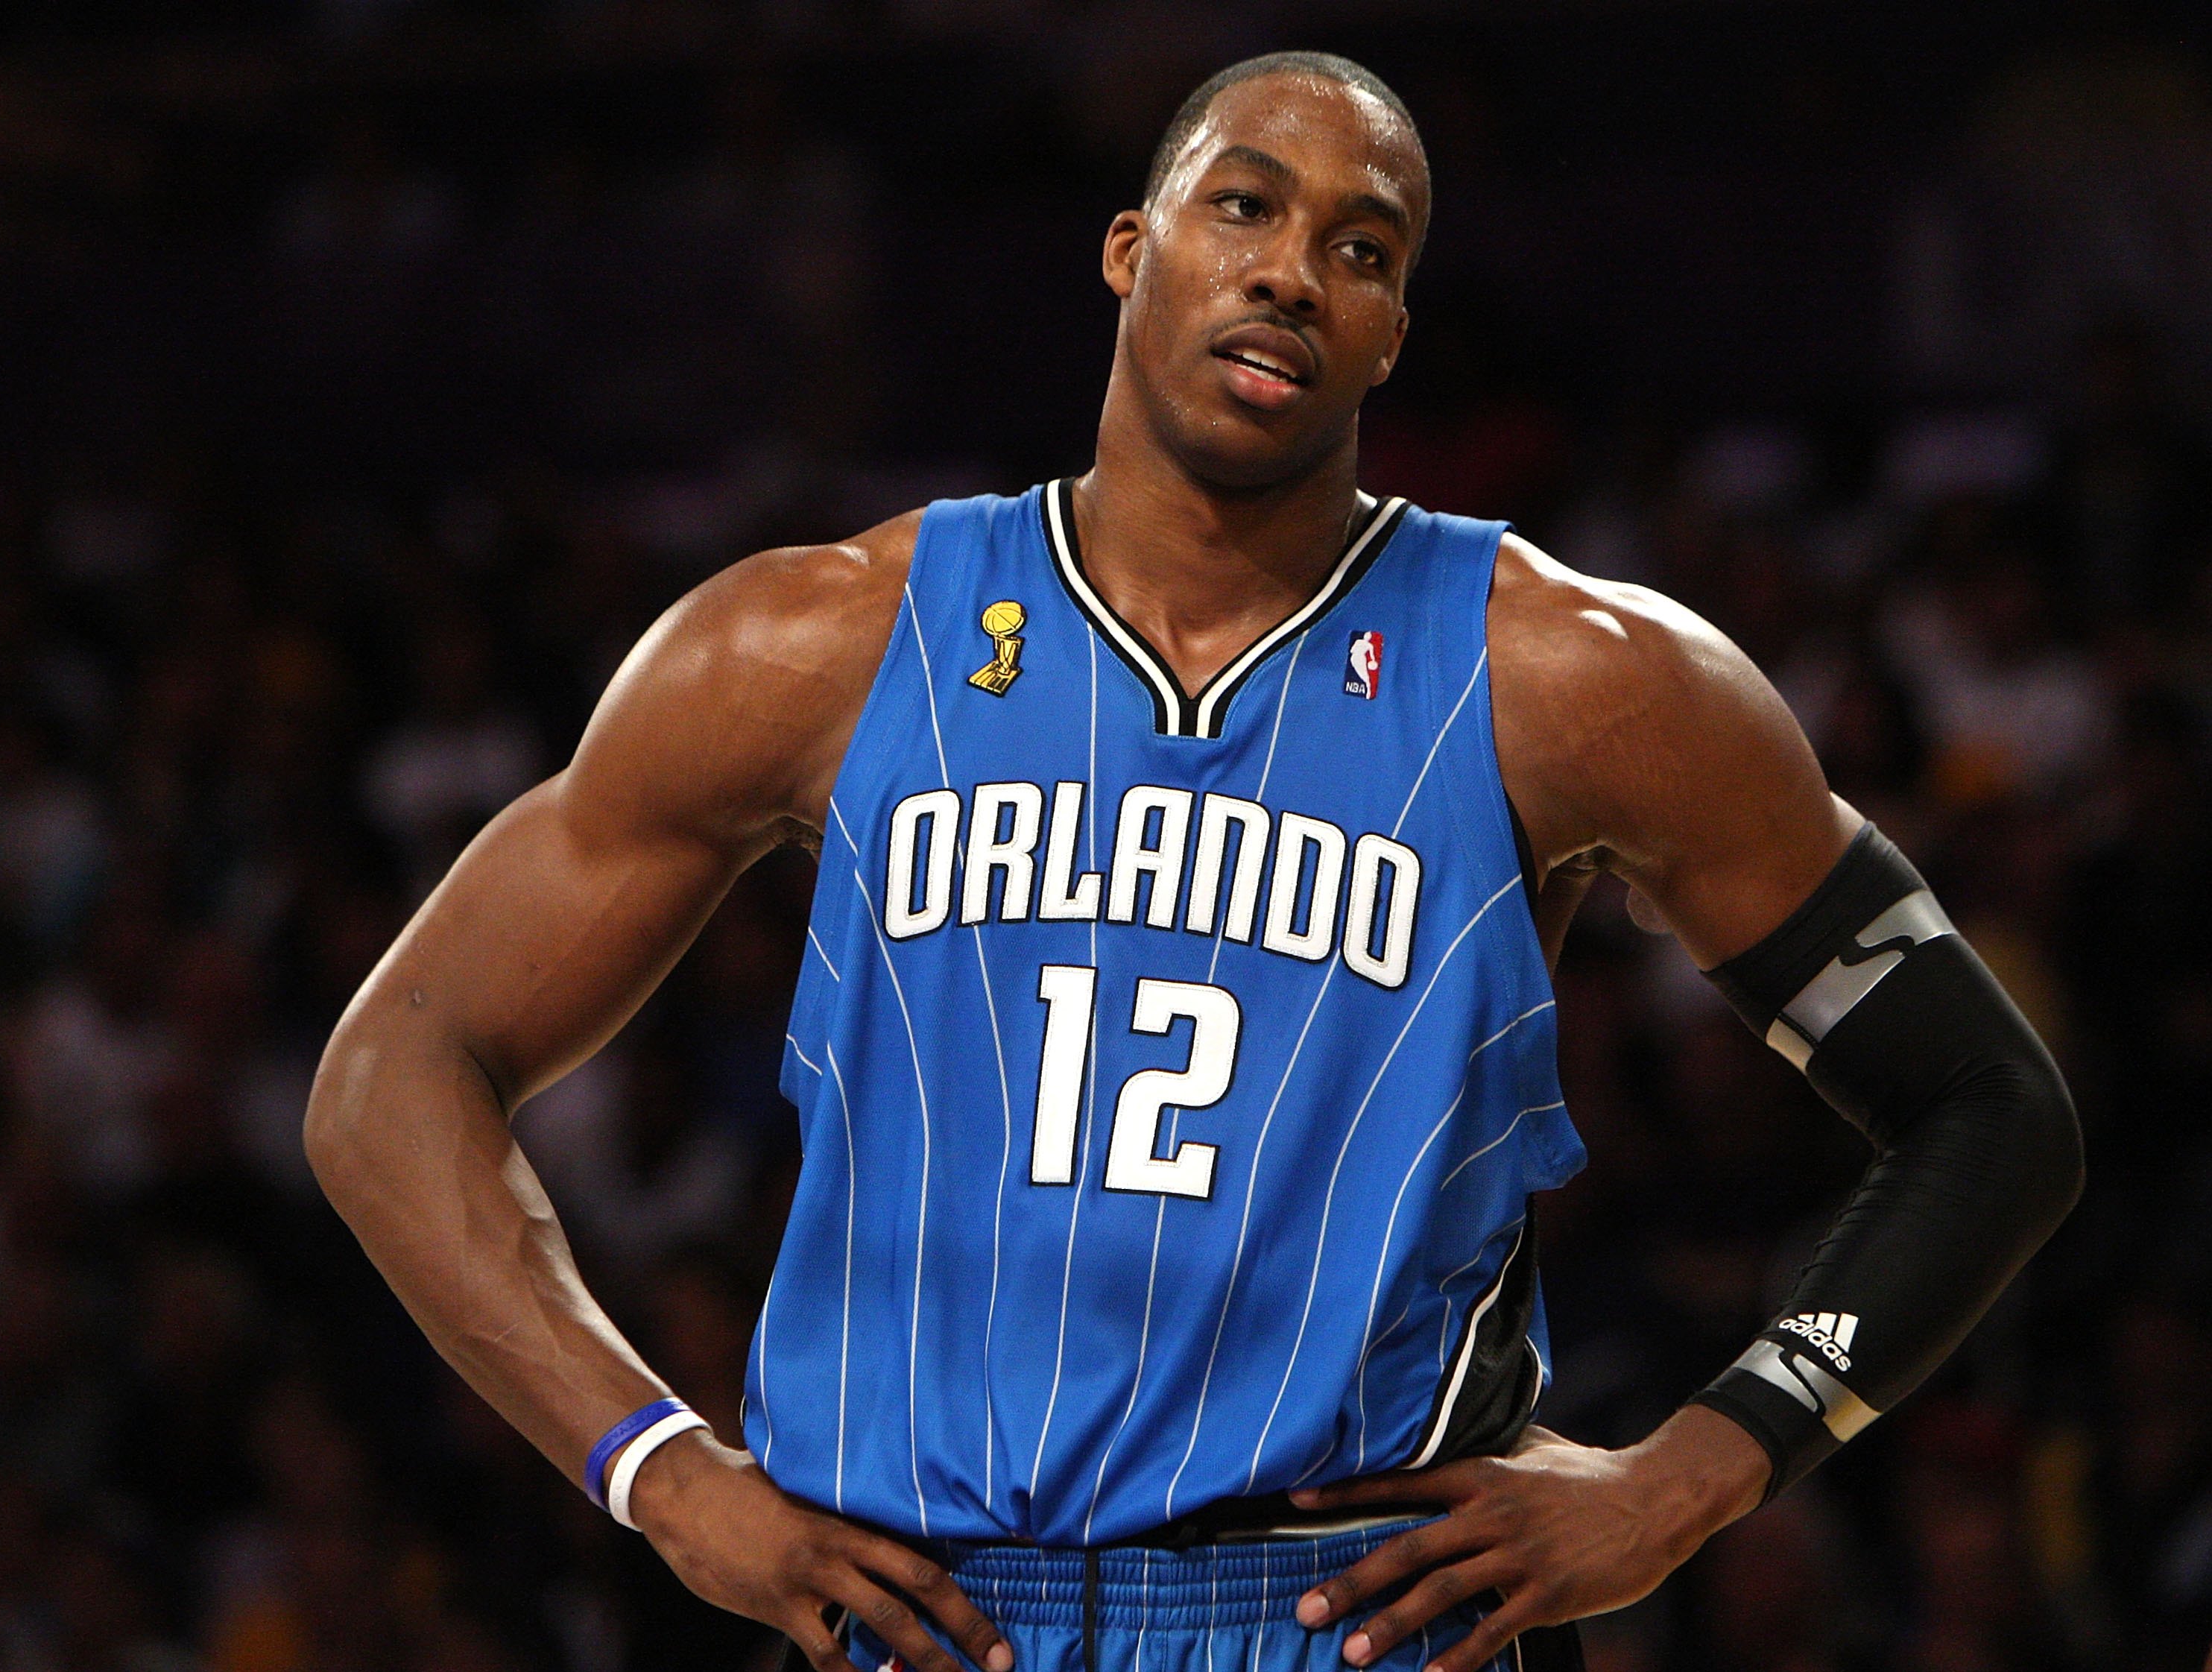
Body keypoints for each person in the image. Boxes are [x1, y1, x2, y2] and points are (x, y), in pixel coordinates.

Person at [304, 51, 2083, 1672]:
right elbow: (389, 1076)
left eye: (1364, 249)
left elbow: (1992, 1110)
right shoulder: (816, 644)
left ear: (1392, 338)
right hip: (917, 1612)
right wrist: (659, 1474)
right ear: (1127, 249)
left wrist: (1691, 1477)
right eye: (1248, 204)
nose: (1296, 270)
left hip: (1341, 1616)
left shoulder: (1579, 682)